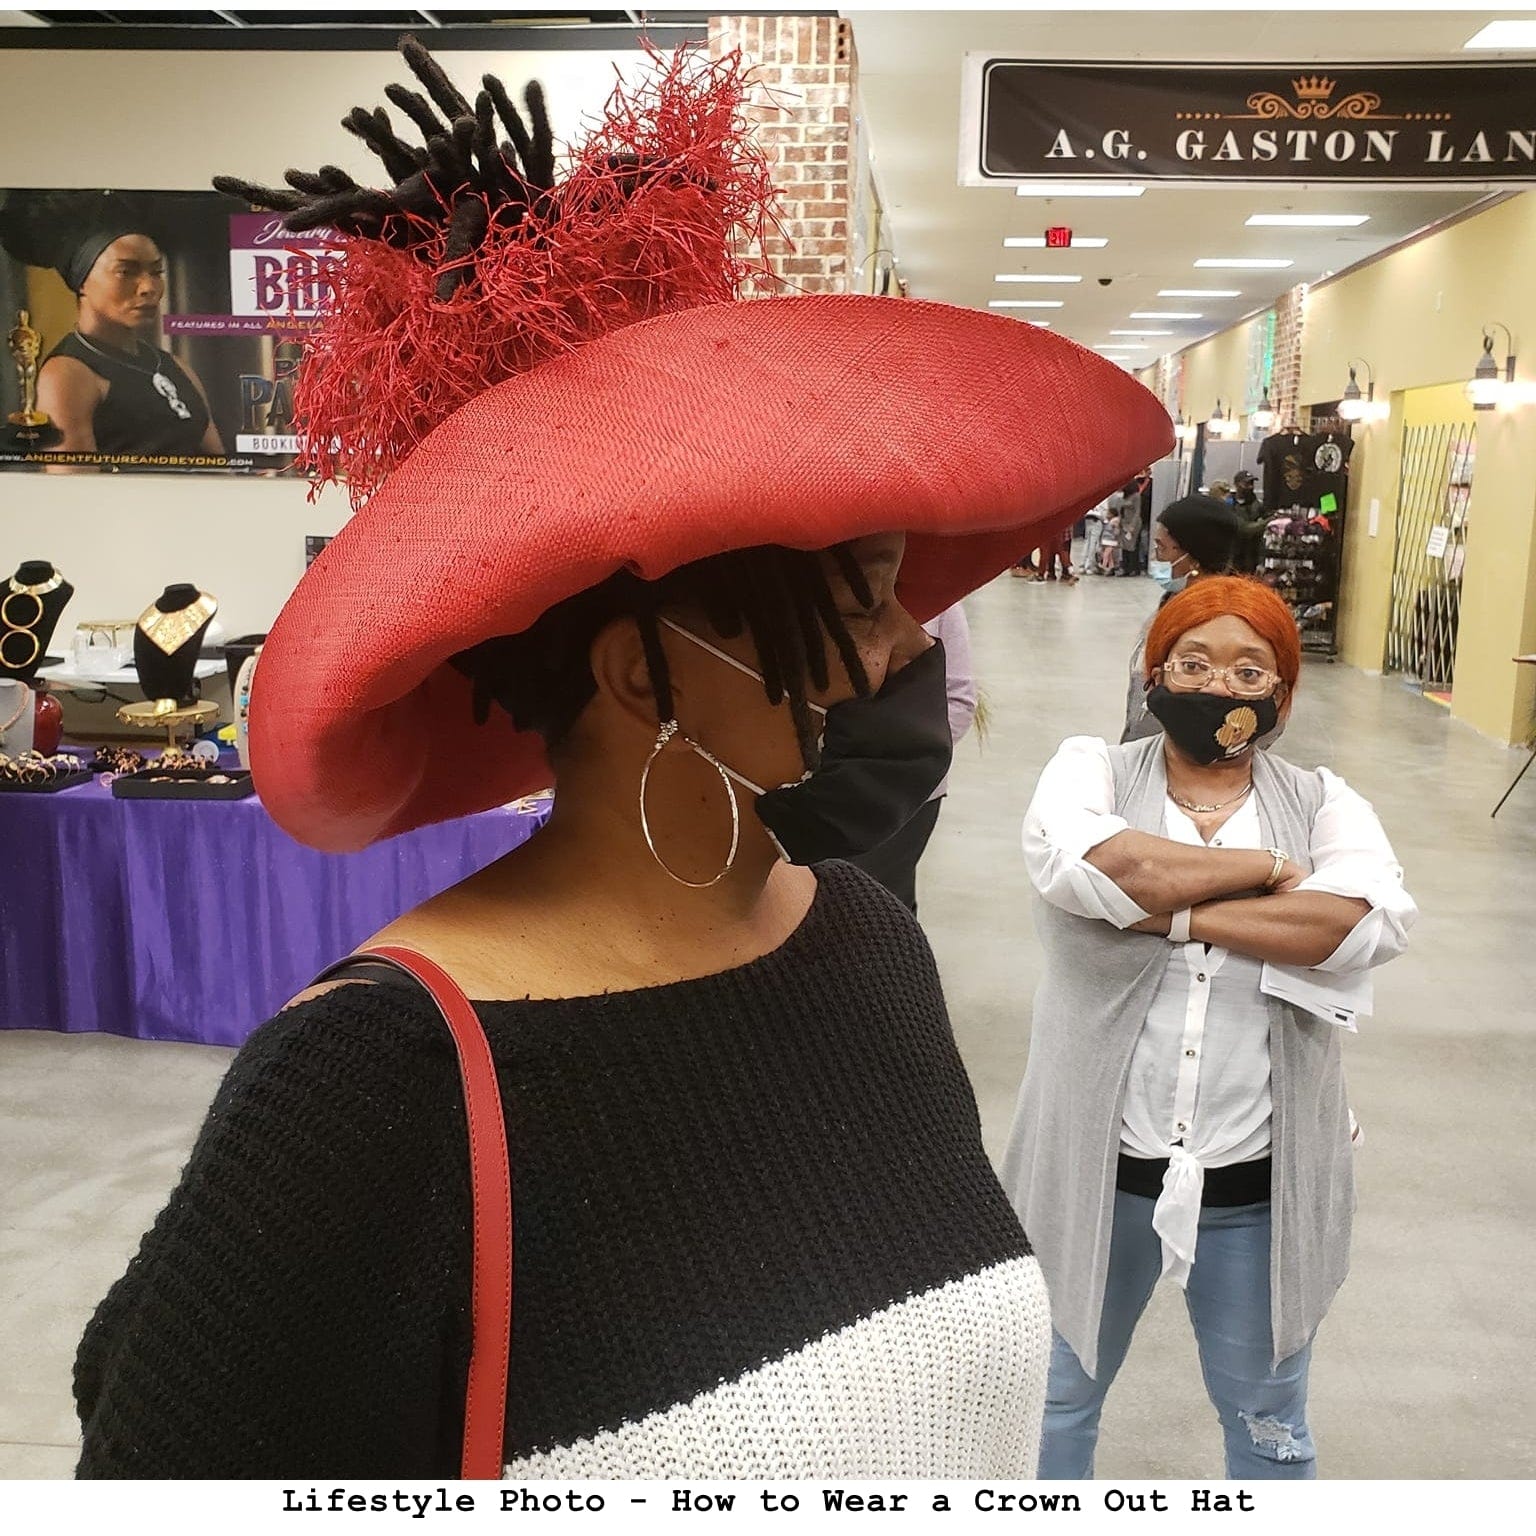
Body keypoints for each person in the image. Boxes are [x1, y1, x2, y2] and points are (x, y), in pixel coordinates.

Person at [69, 40, 1173, 1479]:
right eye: (842, 602)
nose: (894, 650)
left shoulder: (864, 949)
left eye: (889, 595)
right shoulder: (378, 1085)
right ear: (630, 661)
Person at [1004, 576, 1415, 1481]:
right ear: (1155, 672)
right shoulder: (1092, 771)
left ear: (1281, 694)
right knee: (1054, 1398)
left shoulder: (1326, 798)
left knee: (1269, 1424)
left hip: (1257, 1179)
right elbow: (1086, 865)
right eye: (1193, 662)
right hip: (1096, 1166)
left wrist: (1164, 910)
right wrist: (1268, 871)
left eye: (1247, 670)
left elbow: (1357, 925)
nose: (1219, 688)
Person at [0, 191, 224, 463]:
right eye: (125, 272)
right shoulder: (68, 375)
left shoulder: (175, 366)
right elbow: (73, 493)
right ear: (82, 281)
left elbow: (220, 467)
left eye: (156, 272)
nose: (149, 288)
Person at [850, 602, 977, 914]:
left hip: (909, 792)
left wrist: (897, 760)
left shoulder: (941, 604)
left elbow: (959, 699)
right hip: (821, 786)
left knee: (882, 902)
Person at [1122, 494, 1247, 743]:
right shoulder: (1172, 602)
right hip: (1145, 748)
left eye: (1162, 548)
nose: (1157, 558)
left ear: (1192, 556)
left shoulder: (1223, 622)